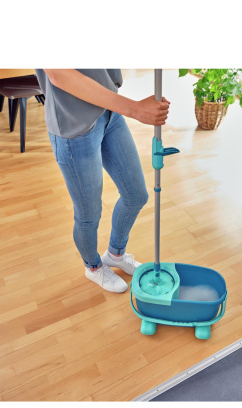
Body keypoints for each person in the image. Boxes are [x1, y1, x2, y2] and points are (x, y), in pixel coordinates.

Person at [35, 69, 170, 293]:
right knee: (89, 214)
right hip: (74, 124)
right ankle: (93, 267)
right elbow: (59, 73)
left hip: (110, 113)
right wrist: (135, 109)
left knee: (136, 196)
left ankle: (115, 255)